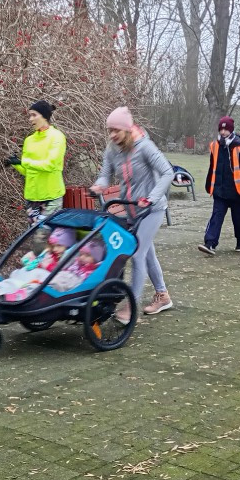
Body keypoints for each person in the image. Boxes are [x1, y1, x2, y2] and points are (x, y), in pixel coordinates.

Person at [90, 106, 174, 322]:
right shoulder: (112, 150)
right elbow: (105, 174)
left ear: (127, 130)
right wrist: (99, 186)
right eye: (109, 130)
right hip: (131, 209)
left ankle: (132, 306)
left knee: (136, 253)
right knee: (147, 253)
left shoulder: (145, 147)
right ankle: (162, 295)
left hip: (152, 209)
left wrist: (153, 197)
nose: (112, 135)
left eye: (116, 130)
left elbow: (167, 172)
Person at [7, 100, 67, 226]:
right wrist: (15, 163)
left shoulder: (57, 137)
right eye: (29, 115)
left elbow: (50, 165)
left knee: (45, 238)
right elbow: (27, 170)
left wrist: (23, 161)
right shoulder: (29, 140)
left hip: (51, 197)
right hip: (32, 198)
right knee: (34, 239)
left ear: (44, 116)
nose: (30, 119)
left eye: (34, 115)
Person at [198, 116, 240, 256]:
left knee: (238, 217)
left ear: (231, 130)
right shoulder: (215, 145)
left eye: (226, 129)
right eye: (221, 129)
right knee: (216, 216)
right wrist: (210, 184)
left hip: (236, 190)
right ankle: (210, 243)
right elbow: (212, 166)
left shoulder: (239, 145)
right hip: (220, 190)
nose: (223, 132)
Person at [0, 227, 76, 299]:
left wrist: (46, 265)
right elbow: (40, 260)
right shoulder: (51, 253)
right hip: (40, 273)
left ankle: (14, 289)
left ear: (68, 246)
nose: (55, 249)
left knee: (33, 277)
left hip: (49, 278)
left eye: (59, 246)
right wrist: (33, 261)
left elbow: (59, 271)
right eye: (53, 246)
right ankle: (7, 285)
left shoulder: (67, 257)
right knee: (21, 272)